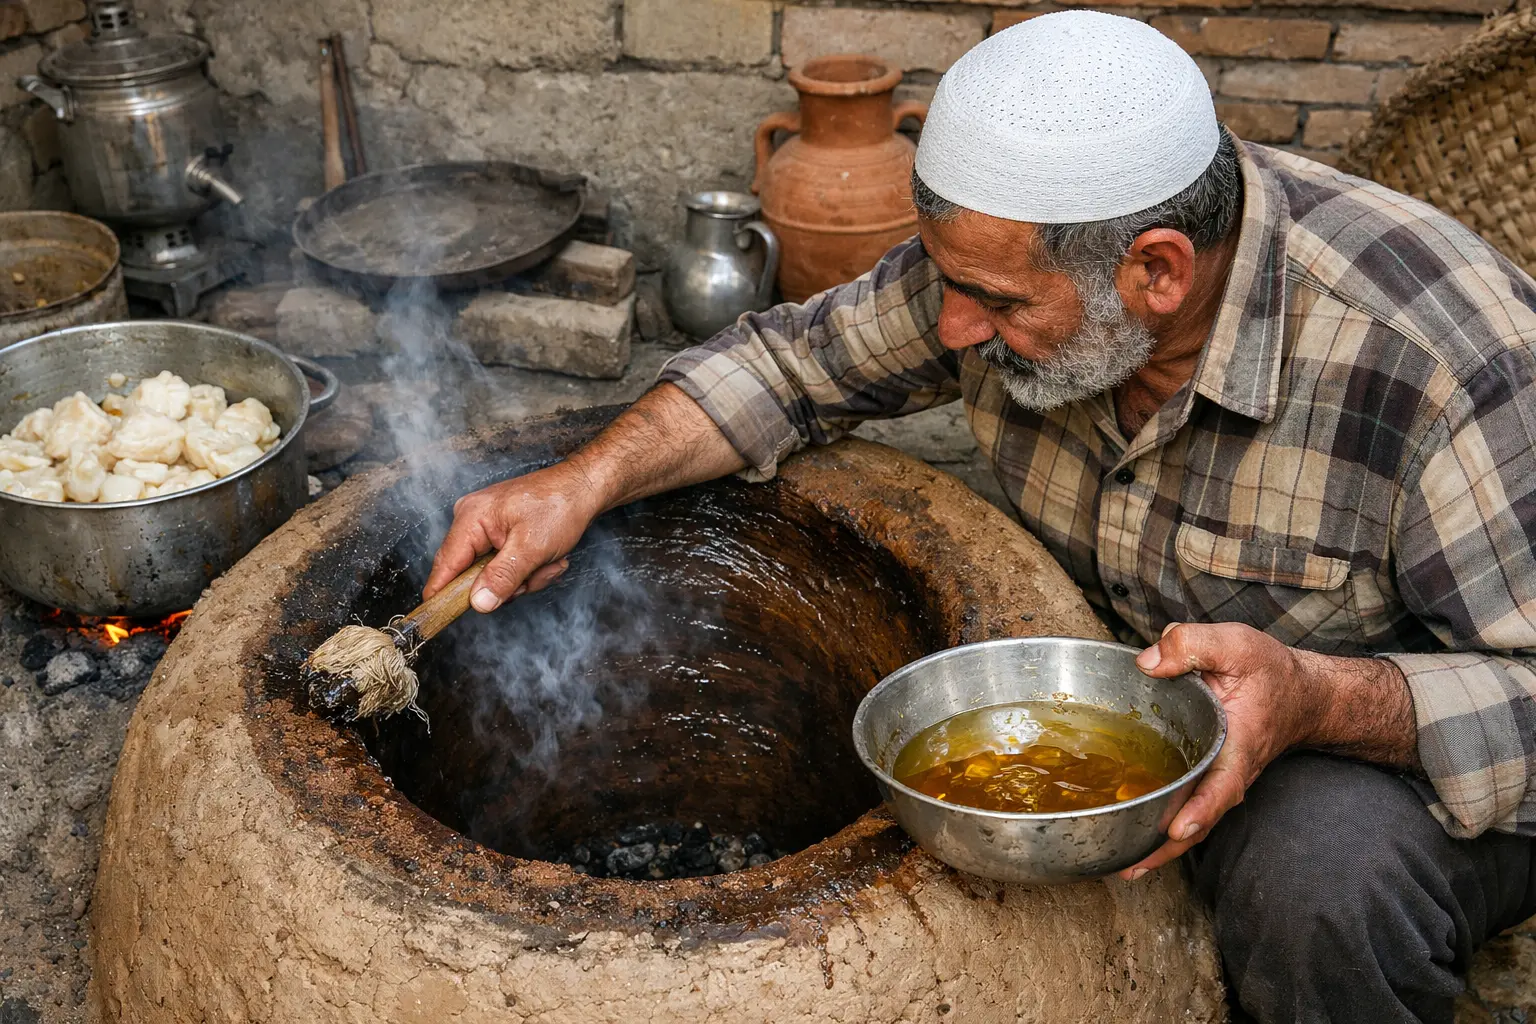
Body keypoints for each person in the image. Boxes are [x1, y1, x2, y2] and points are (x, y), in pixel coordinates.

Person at [425, 12, 1536, 1022]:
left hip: (1385, 750)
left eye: (995, 303)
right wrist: (582, 481)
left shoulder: (1446, 366)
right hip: (1135, 710)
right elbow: (787, 366)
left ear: (1156, 272)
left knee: (1319, 880)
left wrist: (1317, 697)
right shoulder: (1010, 257)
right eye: (947, 283)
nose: (952, 330)